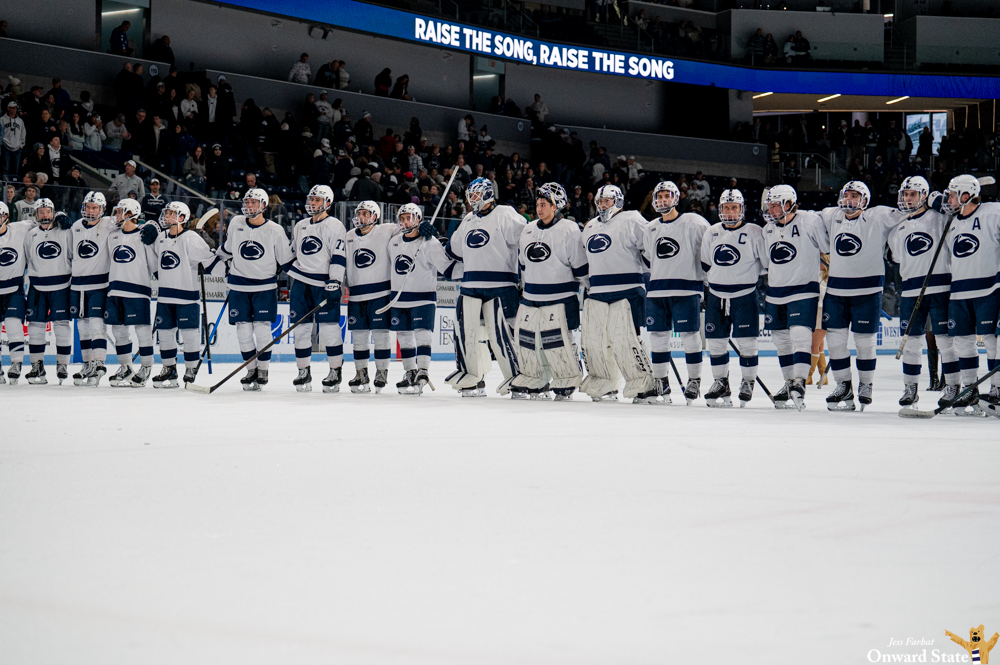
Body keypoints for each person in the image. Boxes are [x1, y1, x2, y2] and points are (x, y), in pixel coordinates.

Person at [820, 181, 900, 411]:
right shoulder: (830, 215)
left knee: (864, 343)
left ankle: (866, 385)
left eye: (855, 195)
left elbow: (909, 213)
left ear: (864, 201)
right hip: (836, 291)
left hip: (867, 290)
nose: (850, 199)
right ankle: (843, 386)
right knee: (835, 343)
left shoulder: (879, 216)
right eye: (847, 194)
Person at [443, 178, 525, 397]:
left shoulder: (506, 214)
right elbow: (453, 251)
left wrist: (526, 281)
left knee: (503, 335)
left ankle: (519, 376)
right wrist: (430, 239)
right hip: (470, 286)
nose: (473, 199)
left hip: (502, 285)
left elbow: (526, 241)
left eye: (477, 194)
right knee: (466, 332)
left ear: (488, 194)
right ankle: (473, 377)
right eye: (471, 195)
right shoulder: (468, 219)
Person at [509, 183, 587, 400]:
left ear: (556, 207)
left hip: (560, 297)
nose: (539, 208)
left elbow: (580, 267)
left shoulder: (569, 229)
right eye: (538, 204)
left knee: (560, 341)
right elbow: (524, 264)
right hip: (532, 297)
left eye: (544, 204)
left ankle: (568, 378)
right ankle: (538, 379)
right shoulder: (528, 229)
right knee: (531, 343)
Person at [886, 176, 958, 408]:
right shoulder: (897, 228)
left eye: (913, 194)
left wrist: (941, 200)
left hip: (940, 287)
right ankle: (911, 388)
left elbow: (956, 212)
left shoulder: (940, 217)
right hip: (911, 290)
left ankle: (952, 387)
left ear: (924, 195)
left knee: (945, 341)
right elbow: (898, 258)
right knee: (912, 343)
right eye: (905, 194)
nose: (907, 198)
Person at [578, 184, 654, 402]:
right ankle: (607, 382)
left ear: (618, 201)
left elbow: (649, 250)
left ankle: (643, 383)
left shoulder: (632, 219)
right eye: (600, 202)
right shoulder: (590, 226)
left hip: (628, 289)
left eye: (607, 201)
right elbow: (585, 262)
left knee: (628, 339)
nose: (603, 205)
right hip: (599, 292)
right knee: (599, 342)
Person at [214, 188, 293, 391]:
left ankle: (263, 369)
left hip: (264, 286)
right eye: (247, 202)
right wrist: (211, 256)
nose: (249, 206)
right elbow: (229, 249)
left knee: (262, 328)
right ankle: (251, 370)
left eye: (254, 203)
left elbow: (286, 261)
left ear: (263, 206)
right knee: (243, 330)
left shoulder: (275, 230)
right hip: (238, 285)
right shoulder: (236, 222)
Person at [642, 180, 710, 405]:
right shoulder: (650, 228)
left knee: (690, 336)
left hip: (687, 288)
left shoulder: (694, 222)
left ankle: (694, 380)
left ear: (676, 198)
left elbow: (707, 254)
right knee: (658, 337)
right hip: (657, 290)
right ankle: (661, 380)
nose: (662, 200)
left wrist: (707, 285)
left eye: (666, 196)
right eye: (659, 197)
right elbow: (650, 260)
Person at [761, 185, 828, 410]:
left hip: (804, 288)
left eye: (774, 205)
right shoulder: (767, 229)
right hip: (776, 291)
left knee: (800, 335)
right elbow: (765, 262)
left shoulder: (809, 221)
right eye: (769, 205)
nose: (770, 209)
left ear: (788, 204)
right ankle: (789, 383)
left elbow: (826, 245)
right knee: (780, 340)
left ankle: (799, 382)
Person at [939, 175, 1000, 415]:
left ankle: (997, 389)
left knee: (992, 339)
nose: (949, 200)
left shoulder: (993, 213)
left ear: (966, 195)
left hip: (990, 288)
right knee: (962, 342)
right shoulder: (951, 222)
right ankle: (969, 389)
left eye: (953, 195)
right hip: (959, 290)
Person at [699, 189, 765, 407]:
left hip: (744, 296)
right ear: (720, 209)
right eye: (726, 207)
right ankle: (720, 382)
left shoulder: (755, 232)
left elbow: (764, 265)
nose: (730, 211)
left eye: (734, 207)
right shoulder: (712, 232)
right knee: (716, 343)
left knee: (747, 343)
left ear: (741, 209)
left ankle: (747, 382)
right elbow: (707, 263)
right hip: (717, 295)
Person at [142, 201, 214, 387]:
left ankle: (190, 368)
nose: (167, 217)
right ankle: (169, 369)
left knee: (189, 334)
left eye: (172, 214)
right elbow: (155, 261)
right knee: (165, 334)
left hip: (187, 296)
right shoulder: (161, 238)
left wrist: (227, 270)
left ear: (182, 218)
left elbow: (209, 259)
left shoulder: (190, 238)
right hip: (165, 296)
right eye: (166, 213)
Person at [388, 203, 457, 395]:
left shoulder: (429, 242)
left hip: (423, 297)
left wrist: (440, 241)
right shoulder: (393, 242)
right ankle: (410, 372)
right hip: (399, 298)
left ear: (418, 220)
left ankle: (423, 372)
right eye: (402, 218)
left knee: (422, 334)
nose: (405, 221)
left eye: (409, 217)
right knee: (404, 336)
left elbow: (447, 267)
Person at [287, 185, 347, 393]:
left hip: (324, 284)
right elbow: (292, 252)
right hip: (301, 283)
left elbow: (339, 255)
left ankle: (335, 370)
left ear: (327, 203)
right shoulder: (300, 225)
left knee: (329, 329)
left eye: (317, 200)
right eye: (311, 199)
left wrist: (335, 281)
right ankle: (303, 371)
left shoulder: (334, 225)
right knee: (301, 329)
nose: (312, 203)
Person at [343, 200, 395, 393]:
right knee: (359, 336)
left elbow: (408, 230)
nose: (361, 217)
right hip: (356, 294)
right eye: (359, 213)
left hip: (381, 293)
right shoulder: (349, 236)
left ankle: (382, 372)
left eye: (366, 213)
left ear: (375, 216)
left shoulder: (386, 230)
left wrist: (422, 228)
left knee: (381, 335)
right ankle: (361, 373)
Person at [105, 199, 156, 387]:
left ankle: (146, 367)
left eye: (119, 212)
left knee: (142, 331)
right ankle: (126, 367)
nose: (116, 215)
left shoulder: (145, 236)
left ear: (129, 213)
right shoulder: (112, 236)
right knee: (118, 330)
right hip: (115, 289)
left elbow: (154, 265)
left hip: (138, 289)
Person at [67, 192, 115, 386]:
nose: (91, 210)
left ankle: (99, 363)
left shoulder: (110, 224)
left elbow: (133, 222)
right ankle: (87, 363)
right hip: (78, 285)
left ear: (102, 209)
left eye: (95, 207)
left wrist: (151, 225)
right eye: (88, 206)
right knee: (82, 327)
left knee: (96, 325)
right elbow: (71, 253)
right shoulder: (76, 226)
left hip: (99, 285)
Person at [23, 200, 74, 385]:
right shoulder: (31, 235)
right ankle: (37, 366)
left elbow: (71, 256)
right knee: (35, 327)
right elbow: (28, 259)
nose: (44, 215)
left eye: (48, 211)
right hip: (37, 288)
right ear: (36, 214)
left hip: (61, 286)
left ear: (53, 212)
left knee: (61, 326)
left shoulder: (65, 231)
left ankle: (62, 365)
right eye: (41, 212)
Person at [0, 202, 29, 384]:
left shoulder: (20, 229)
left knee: (13, 324)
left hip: (14, 289)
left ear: (5, 217)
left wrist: (57, 218)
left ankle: (16, 364)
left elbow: (43, 221)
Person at [2, 101, 26, 176]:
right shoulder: (2, 119)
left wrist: (21, 144)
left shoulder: (20, 121)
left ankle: (14, 186)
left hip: (17, 148)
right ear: (8, 108)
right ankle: (5, 186)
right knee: (5, 168)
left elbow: (23, 133)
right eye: (12, 108)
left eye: (16, 108)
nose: (14, 110)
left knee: (15, 169)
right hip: (5, 146)